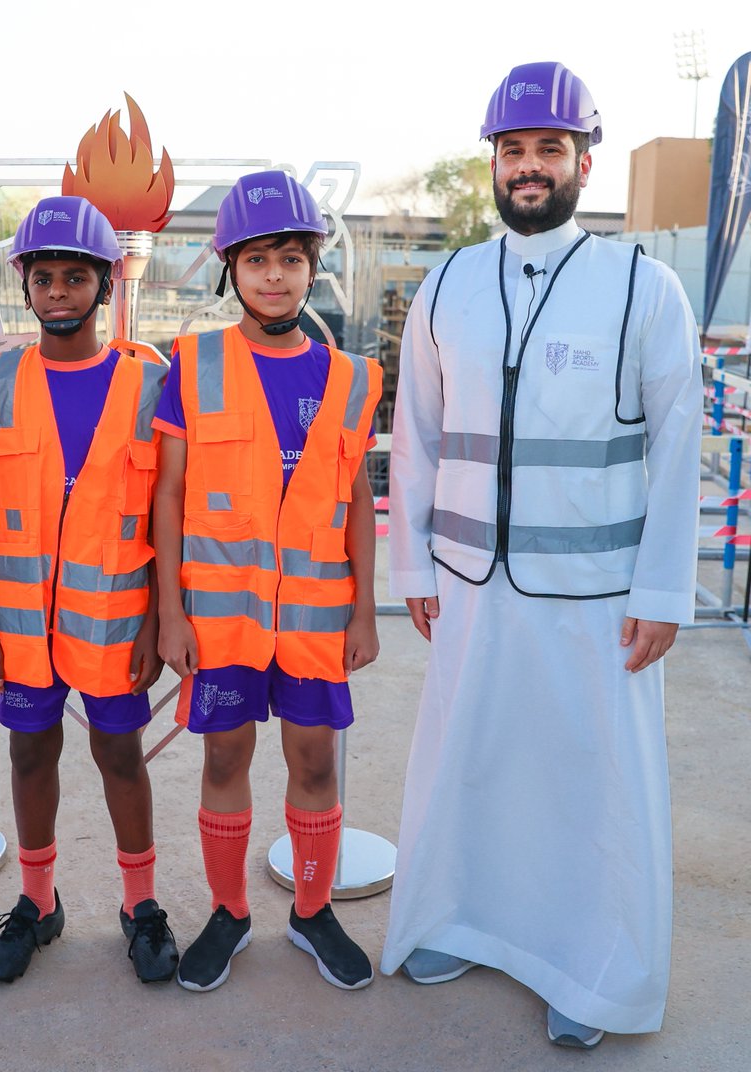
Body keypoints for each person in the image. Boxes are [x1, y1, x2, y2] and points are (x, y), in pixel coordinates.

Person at [383, 61, 702, 1048]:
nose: (529, 167)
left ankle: (594, 971)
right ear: (494, 163)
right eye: (513, 150)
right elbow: (419, 438)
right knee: (471, 761)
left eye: (548, 150)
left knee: (586, 783)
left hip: (596, 599)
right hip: (474, 589)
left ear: (582, 162)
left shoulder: (643, 288)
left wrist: (663, 591)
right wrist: (415, 567)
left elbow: (678, 444)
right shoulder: (446, 284)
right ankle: (458, 918)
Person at [153, 170, 382, 993]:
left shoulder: (352, 377)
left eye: (290, 258)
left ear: (313, 266)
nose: (274, 275)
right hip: (222, 618)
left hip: (318, 616)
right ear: (230, 271)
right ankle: (229, 912)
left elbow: (356, 496)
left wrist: (364, 609)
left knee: (315, 762)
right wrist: (170, 615)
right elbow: (171, 492)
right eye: (256, 261)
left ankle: (313, 912)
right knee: (226, 759)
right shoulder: (194, 363)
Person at [0, 195, 178, 985]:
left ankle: (142, 906)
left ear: (105, 283)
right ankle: (37, 903)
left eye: (75, 276)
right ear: (25, 286)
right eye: (44, 277)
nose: (59, 291)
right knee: (29, 754)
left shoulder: (149, 381)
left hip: (114, 619)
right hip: (20, 626)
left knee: (120, 754)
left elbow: (164, 512)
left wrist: (158, 621)